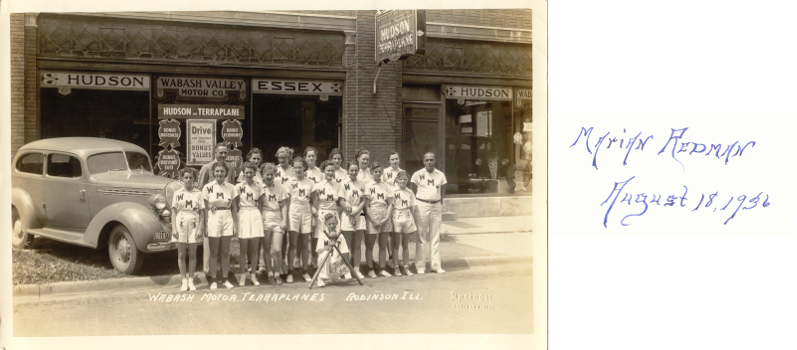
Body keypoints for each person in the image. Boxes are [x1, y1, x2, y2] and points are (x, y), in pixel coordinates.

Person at [198, 142, 238, 277]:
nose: (223, 155)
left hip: (225, 211)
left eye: (225, 152)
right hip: (211, 212)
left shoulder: (231, 168)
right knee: (210, 244)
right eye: (220, 152)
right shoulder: (206, 167)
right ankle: (208, 270)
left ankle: (223, 270)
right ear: (215, 152)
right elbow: (200, 191)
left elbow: (231, 188)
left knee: (224, 244)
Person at [202, 161, 239, 289]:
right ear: (213, 172)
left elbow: (234, 207)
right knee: (213, 251)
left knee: (225, 251)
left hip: (227, 217)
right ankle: (213, 279)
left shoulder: (231, 187)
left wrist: (235, 225)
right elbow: (205, 209)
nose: (219, 173)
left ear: (226, 173)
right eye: (217, 171)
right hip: (213, 218)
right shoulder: (207, 188)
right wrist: (205, 225)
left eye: (222, 171)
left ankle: (224, 278)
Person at [410, 152, 447, 274]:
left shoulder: (440, 175)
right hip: (422, 205)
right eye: (427, 160)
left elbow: (443, 190)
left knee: (435, 236)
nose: (429, 162)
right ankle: (420, 266)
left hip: (436, 206)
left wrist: (439, 203)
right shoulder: (417, 174)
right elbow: (412, 191)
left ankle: (435, 266)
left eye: (431, 160)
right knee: (421, 236)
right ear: (423, 161)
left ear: (435, 160)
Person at [171, 167, 205, 291]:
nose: (188, 180)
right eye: (186, 177)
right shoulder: (177, 193)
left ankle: (191, 280)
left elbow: (202, 212)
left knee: (192, 253)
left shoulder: (198, 193)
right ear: (182, 179)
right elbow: (174, 211)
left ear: (194, 179)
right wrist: (174, 228)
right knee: (181, 254)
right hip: (181, 221)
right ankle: (183, 281)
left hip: (194, 221)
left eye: (191, 177)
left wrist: (200, 228)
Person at [235, 161, 264, 287]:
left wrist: (259, 216)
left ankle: (253, 275)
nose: (248, 174)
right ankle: (242, 275)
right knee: (243, 249)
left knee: (254, 249)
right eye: (246, 172)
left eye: (251, 172)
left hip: (255, 214)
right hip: (243, 215)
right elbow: (235, 205)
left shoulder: (259, 186)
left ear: (254, 173)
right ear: (243, 173)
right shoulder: (238, 187)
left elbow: (261, 204)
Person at [286, 156, 315, 283]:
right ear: (293, 168)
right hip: (293, 212)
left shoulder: (310, 182)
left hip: (306, 212)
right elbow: (286, 203)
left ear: (305, 168)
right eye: (296, 167)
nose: (298, 170)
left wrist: (314, 218)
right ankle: (290, 272)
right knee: (292, 244)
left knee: (304, 244)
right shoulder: (288, 182)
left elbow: (313, 202)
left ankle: (304, 271)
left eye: (300, 167)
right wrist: (286, 219)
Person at [260, 163, 289, 285]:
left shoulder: (281, 187)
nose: (269, 176)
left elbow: (284, 205)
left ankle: (277, 273)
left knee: (277, 249)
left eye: (271, 174)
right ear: (262, 175)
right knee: (266, 248)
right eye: (267, 174)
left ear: (275, 175)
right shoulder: (260, 187)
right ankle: (270, 273)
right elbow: (259, 206)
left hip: (277, 218)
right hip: (265, 218)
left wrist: (284, 220)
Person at [364, 161, 394, 278]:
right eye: (375, 172)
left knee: (383, 245)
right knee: (370, 245)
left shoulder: (386, 186)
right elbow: (366, 205)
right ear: (371, 172)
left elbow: (390, 203)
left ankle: (382, 268)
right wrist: (372, 219)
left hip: (384, 214)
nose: (377, 174)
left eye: (379, 172)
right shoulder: (367, 186)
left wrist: (387, 216)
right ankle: (370, 269)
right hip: (372, 214)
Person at [338, 160, 367, 280]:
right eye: (351, 170)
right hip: (347, 213)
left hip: (359, 213)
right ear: (348, 171)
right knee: (346, 245)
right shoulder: (343, 183)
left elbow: (364, 200)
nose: (354, 172)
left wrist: (357, 211)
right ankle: (345, 270)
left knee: (357, 244)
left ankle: (356, 269)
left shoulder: (362, 183)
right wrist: (349, 210)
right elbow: (340, 200)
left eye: (356, 170)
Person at [312, 160, 342, 275]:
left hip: (334, 215)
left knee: (335, 240)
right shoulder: (317, 185)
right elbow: (314, 202)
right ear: (324, 171)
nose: (330, 173)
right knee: (322, 241)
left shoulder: (337, 185)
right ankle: (321, 270)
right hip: (322, 215)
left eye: (332, 171)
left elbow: (339, 202)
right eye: (328, 171)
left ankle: (335, 270)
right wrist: (316, 216)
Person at [391, 170, 419, 277]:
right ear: (397, 180)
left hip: (407, 216)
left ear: (407, 181)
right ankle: (396, 267)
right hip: (397, 216)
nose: (403, 181)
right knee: (396, 244)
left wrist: (411, 220)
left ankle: (406, 267)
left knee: (405, 244)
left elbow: (412, 207)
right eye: (401, 179)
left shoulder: (410, 192)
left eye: (405, 179)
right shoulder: (393, 191)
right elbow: (391, 206)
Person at [314, 213, 349, 288]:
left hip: (336, 263)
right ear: (325, 224)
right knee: (325, 253)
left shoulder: (340, 236)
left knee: (343, 264)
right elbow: (318, 251)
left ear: (336, 223)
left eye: (333, 223)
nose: (332, 226)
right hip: (324, 262)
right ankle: (321, 278)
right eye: (329, 224)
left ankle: (332, 277)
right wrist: (328, 246)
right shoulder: (322, 235)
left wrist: (341, 261)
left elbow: (345, 252)